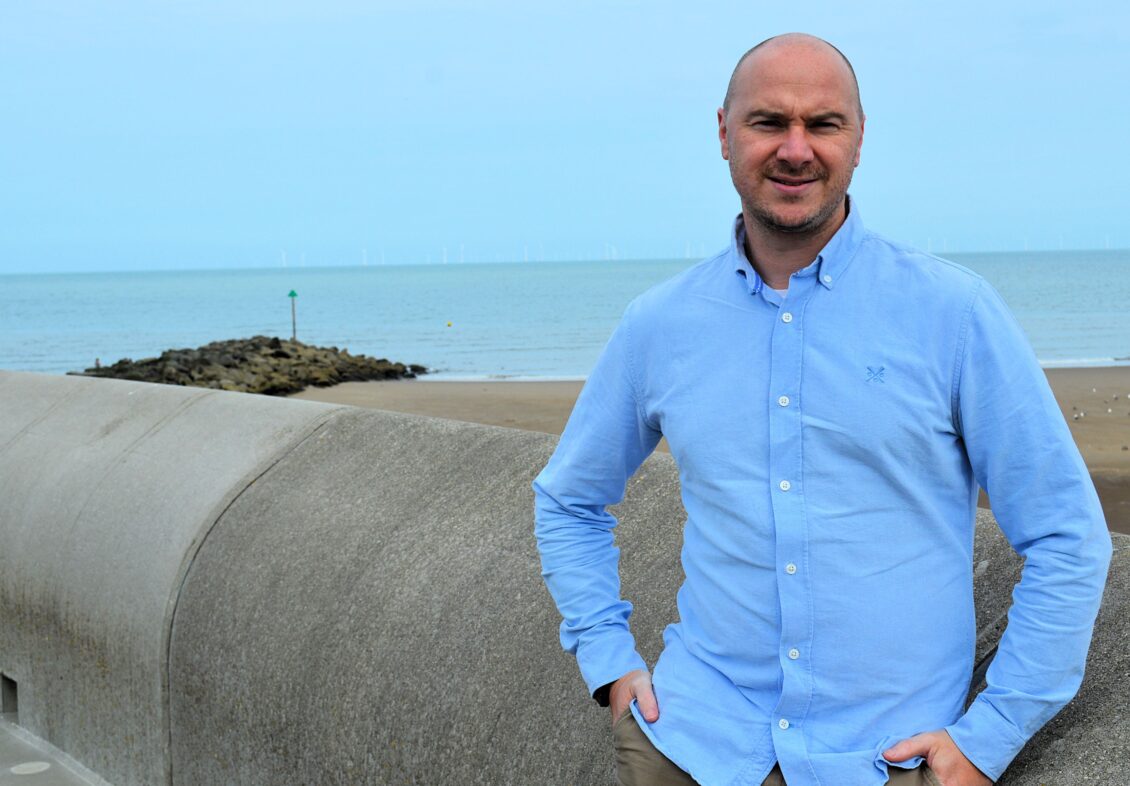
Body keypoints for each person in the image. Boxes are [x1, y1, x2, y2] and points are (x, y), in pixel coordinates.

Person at [533, 32, 1112, 786]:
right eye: (769, 122)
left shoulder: (955, 314)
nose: (795, 149)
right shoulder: (659, 325)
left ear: (859, 138)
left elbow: (1067, 534)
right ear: (724, 133)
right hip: (692, 748)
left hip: (888, 760)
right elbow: (569, 500)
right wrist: (609, 660)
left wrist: (989, 737)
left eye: (823, 124)